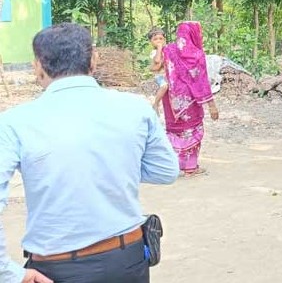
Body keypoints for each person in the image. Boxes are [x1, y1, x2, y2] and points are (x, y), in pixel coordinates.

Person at [0, 22, 179, 283]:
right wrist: (112, 165)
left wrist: (9, 273)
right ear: (93, 60)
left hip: (57, 269)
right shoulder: (134, 108)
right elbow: (166, 171)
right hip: (127, 260)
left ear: (37, 65)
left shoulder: (15, 122)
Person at [162, 21, 219, 176]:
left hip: (172, 99)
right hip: (190, 100)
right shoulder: (197, 55)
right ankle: (190, 168)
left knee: (176, 132)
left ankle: (174, 166)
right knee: (193, 130)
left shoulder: (168, 50)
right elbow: (202, 82)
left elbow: (160, 70)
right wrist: (211, 105)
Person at [147, 27, 169, 113]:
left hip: (168, 75)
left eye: (161, 39)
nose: (158, 41)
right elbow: (157, 61)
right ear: (151, 42)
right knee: (164, 86)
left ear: (164, 40)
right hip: (160, 76)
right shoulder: (154, 52)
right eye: (155, 39)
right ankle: (156, 103)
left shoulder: (167, 49)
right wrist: (159, 48)